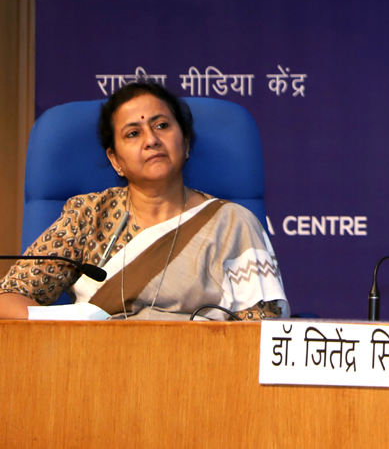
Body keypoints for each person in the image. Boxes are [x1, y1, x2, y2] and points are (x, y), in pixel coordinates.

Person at [0, 82, 288, 320]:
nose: (151, 140)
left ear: (185, 143)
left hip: (200, 374)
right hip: (93, 370)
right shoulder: (89, 215)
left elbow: (261, 334)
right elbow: (9, 297)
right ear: (116, 160)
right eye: (133, 133)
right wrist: (70, 330)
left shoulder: (233, 224)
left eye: (162, 125)